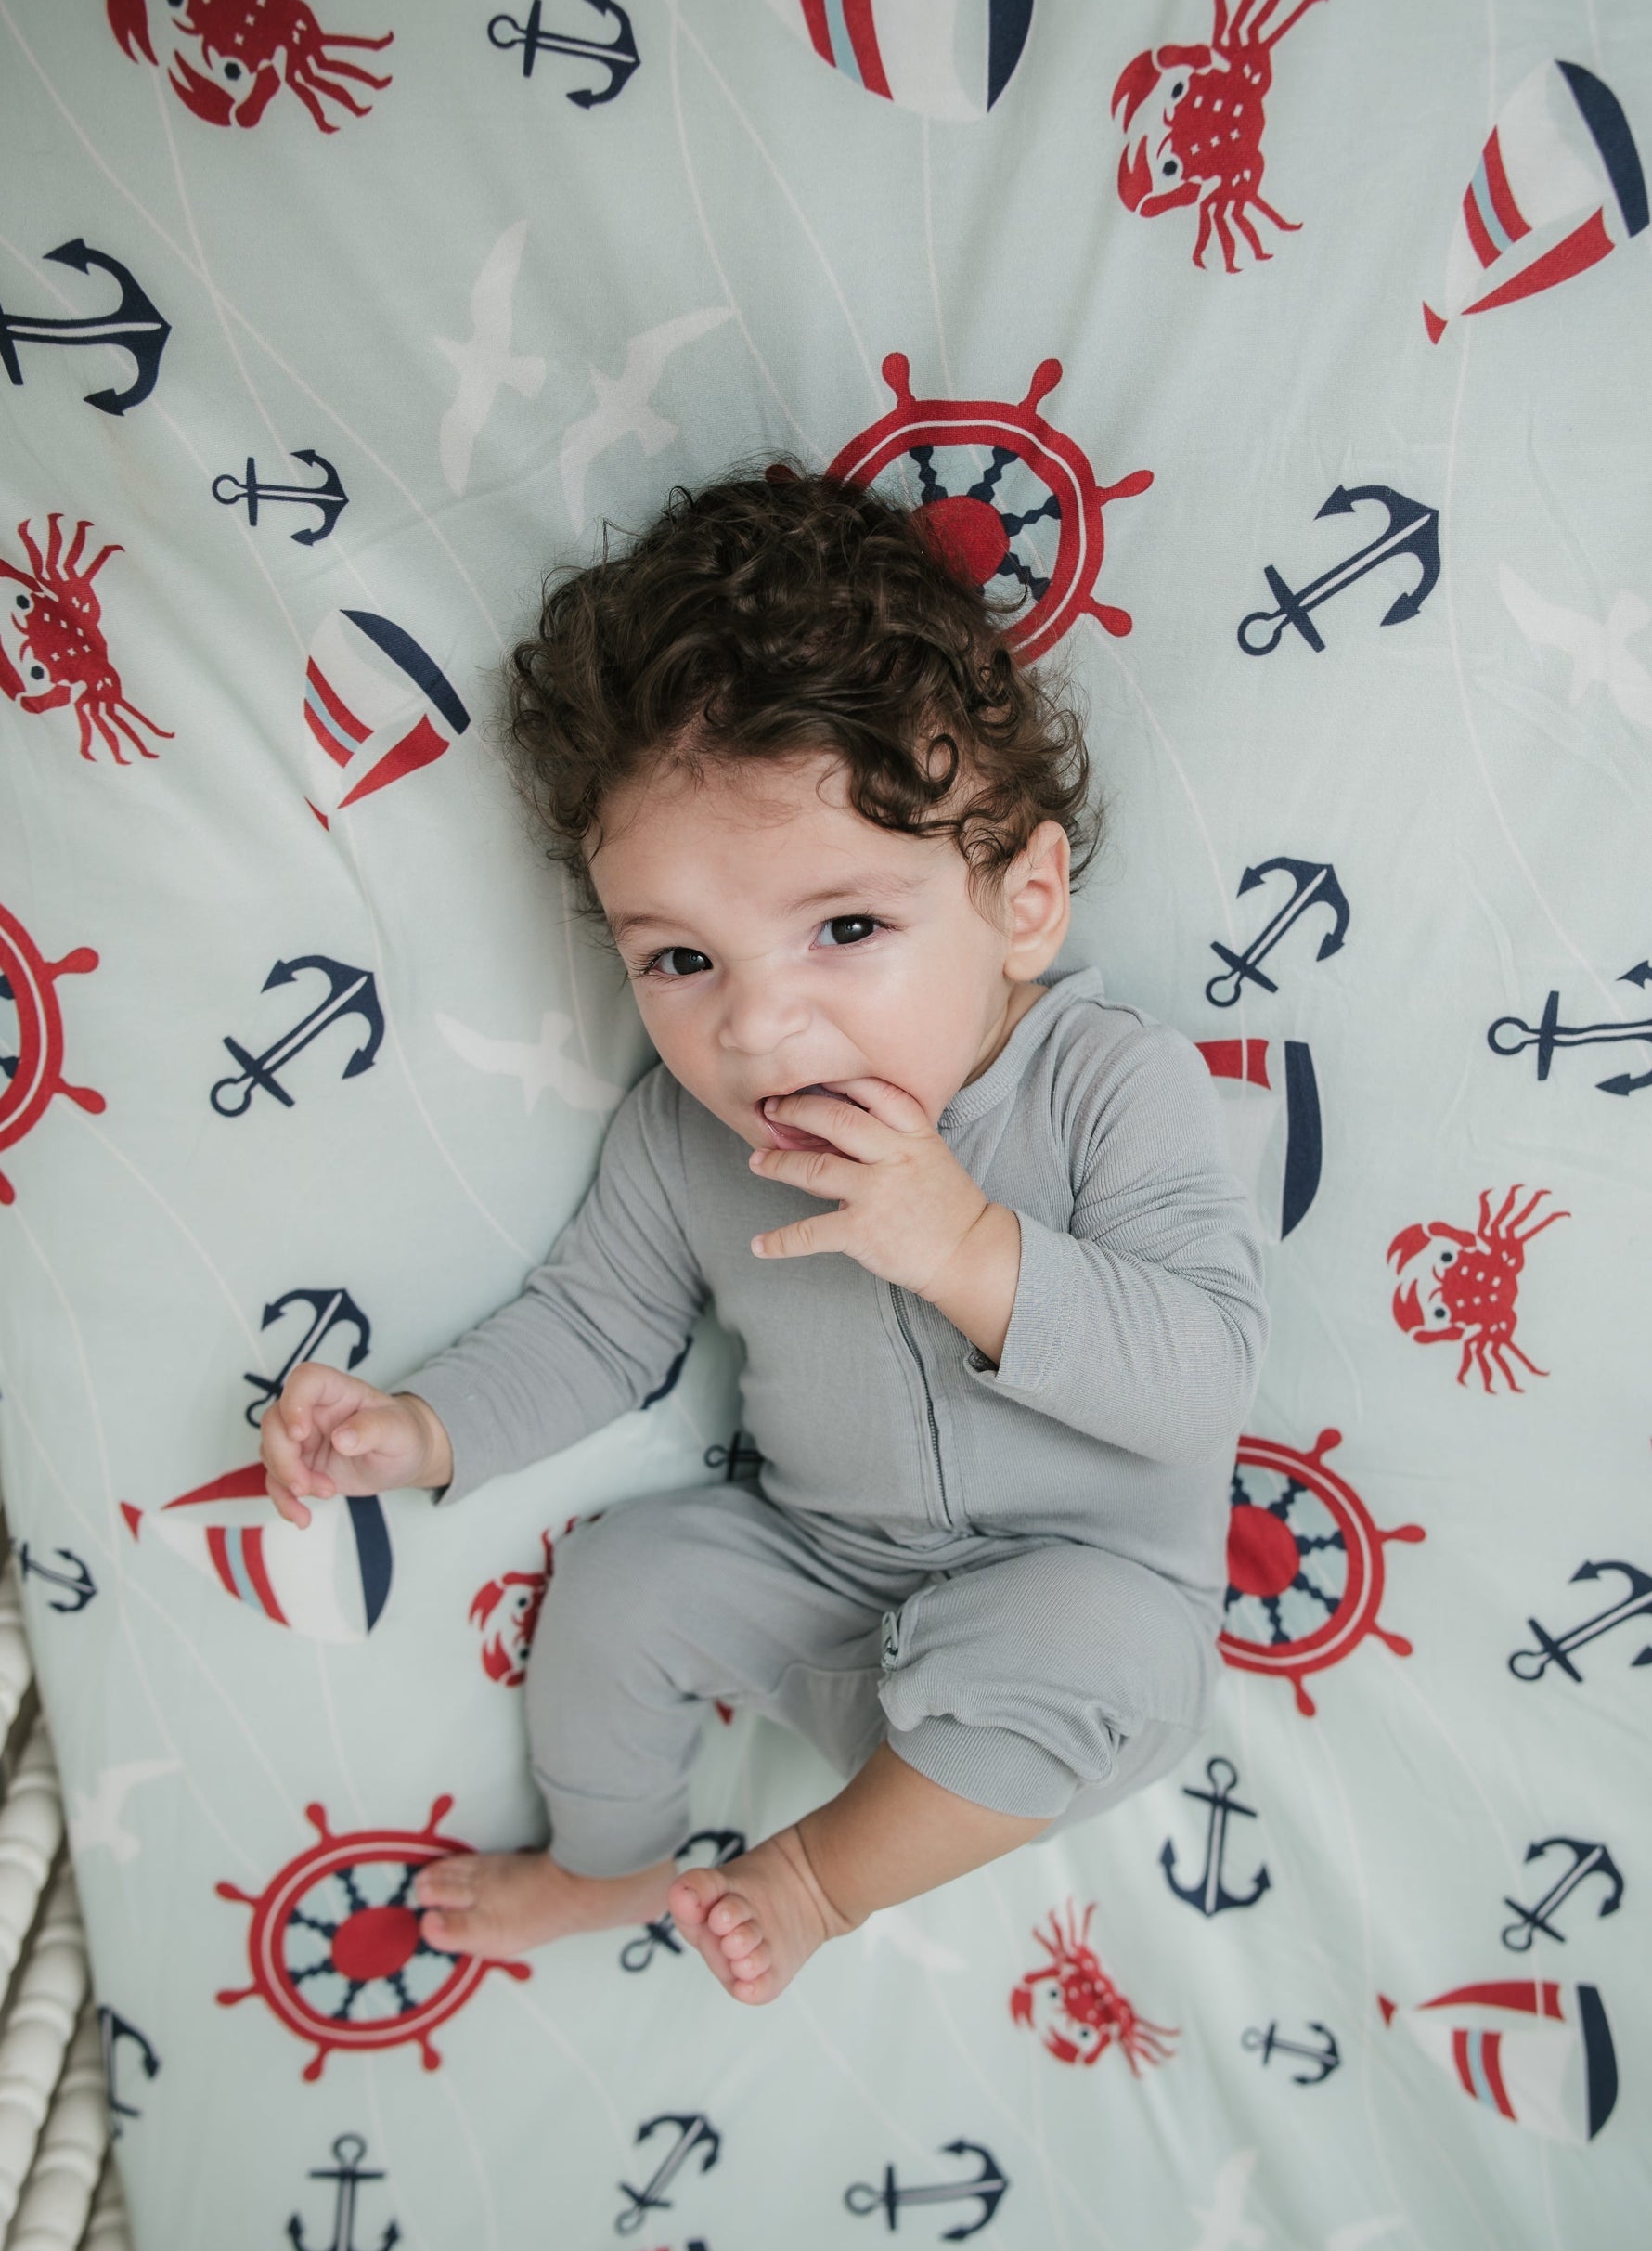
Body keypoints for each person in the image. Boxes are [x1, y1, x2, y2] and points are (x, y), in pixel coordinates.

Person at [259, 464, 1269, 2007]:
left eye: (845, 929)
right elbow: (595, 1327)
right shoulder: (690, 1139)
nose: (759, 1022)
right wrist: (416, 1428)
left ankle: (813, 1875)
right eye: (679, 958)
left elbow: (1203, 1378)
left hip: (1078, 1594)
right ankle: (606, 1868)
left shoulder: (1107, 1085)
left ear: (1024, 903)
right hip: (827, 1586)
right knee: (623, 1582)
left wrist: (964, 1242)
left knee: (1107, 1650)